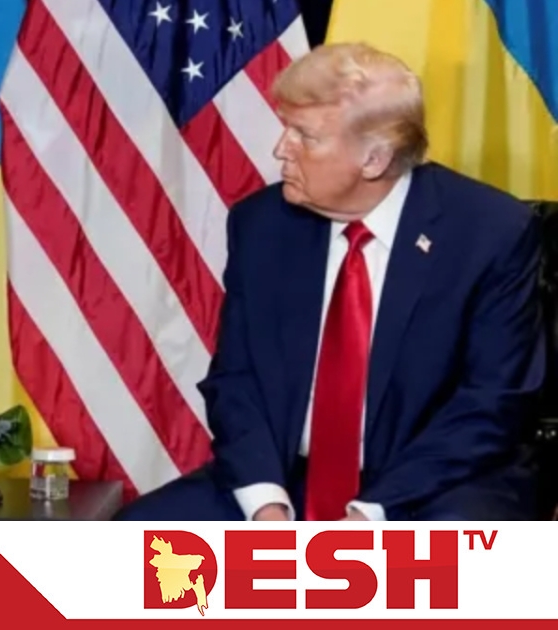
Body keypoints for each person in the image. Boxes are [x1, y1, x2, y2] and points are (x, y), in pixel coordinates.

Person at [116, 42, 544, 521]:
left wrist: (369, 514)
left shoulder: (489, 232)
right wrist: (265, 505)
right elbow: (237, 381)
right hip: (287, 476)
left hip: (434, 483)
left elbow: (493, 403)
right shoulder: (262, 225)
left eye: (305, 135)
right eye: (286, 128)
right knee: (136, 536)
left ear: (374, 159)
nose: (281, 149)